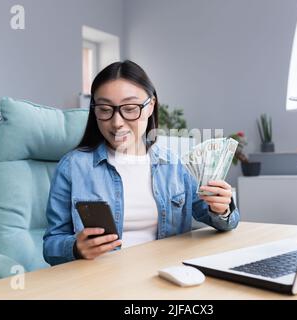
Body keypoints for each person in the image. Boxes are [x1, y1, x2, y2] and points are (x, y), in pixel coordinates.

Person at [43, 60, 240, 265]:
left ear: (150, 106)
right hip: (103, 283)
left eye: (129, 108)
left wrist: (222, 208)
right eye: (104, 109)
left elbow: (220, 221)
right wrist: (75, 248)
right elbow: (51, 245)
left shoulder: (172, 165)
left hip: (166, 275)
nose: (117, 122)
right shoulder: (73, 167)